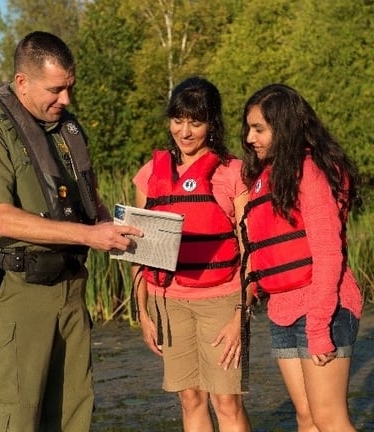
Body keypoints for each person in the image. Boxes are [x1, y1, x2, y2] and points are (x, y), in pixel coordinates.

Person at [0, 31, 141, 431]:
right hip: (18, 294)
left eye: (70, 87)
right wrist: (90, 237)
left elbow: (90, 204)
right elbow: (3, 219)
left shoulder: (65, 129)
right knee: (11, 419)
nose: (67, 99)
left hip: (71, 292)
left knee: (72, 417)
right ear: (22, 82)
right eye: (56, 89)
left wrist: (114, 227)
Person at [239, 83, 363, 432]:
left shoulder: (310, 171)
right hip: (282, 309)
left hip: (324, 307)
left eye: (258, 129)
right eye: (248, 128)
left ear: (285, 127)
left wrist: (319, 325)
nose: (249, 137)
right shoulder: (266, 175)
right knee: (307, 419)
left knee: (329, 419)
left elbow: (327, 253)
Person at [132, 76, 252, 432]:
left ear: (212, 124)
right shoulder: (150, 174)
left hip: (222, 299)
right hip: (168, 301)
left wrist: (240, 315)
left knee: (226, 401)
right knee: (190, 398)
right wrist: (143, 312)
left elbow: (252, 251)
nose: (184, 131)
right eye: (178, 120)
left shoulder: (233, 173)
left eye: (195, 122)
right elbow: (142, 251)